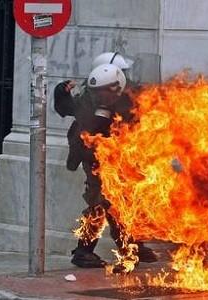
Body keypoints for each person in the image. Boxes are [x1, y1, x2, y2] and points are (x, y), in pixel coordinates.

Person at [54, 58, 157, 268]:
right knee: (102, 203)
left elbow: (141, 125)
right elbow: (68, 109)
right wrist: (60, 92)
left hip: (124, 158)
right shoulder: (89, 99)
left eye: (104, 91)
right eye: (97, 91)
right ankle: (86, 250)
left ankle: (132, 245)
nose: (101, 95)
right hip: (95, 159)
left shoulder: (130, 99)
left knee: (126, 203)